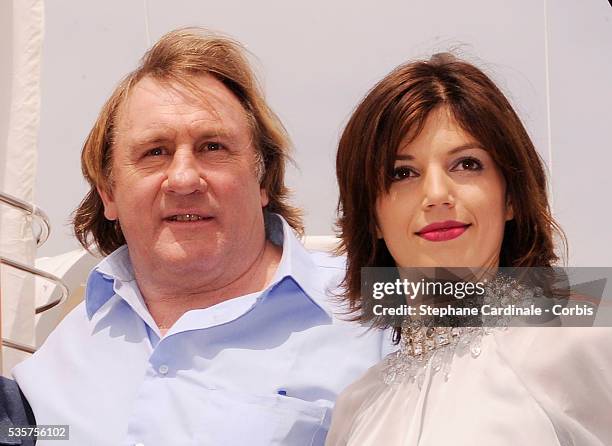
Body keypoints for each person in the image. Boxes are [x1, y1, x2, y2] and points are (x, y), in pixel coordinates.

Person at [11, 28, 390, 445]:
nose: (184, 178)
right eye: (154, 152)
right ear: (109, 193)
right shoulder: (65, 347)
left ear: (263, 179)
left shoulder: (383, 297)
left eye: (212, 147)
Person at [326, 54, 612, 445]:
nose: (437, 195)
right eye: (402, 173)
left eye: (466, 164)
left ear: (510, 196)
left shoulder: (582, 331)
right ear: (371, 216)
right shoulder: (356, 407)